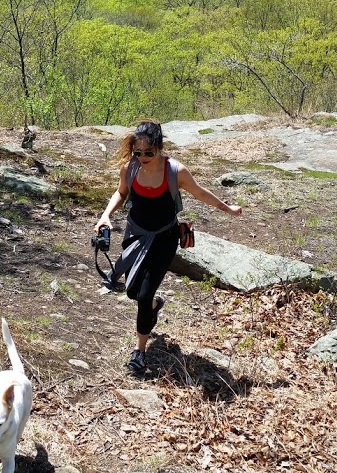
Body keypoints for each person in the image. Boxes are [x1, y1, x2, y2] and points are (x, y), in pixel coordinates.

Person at [94, 120, 243, 373]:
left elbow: (200, 193)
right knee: (132, 291)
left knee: (143, 295)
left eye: (148, 153)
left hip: (164, 238)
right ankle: (154, 305)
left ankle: (139, 352)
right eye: (137, 152)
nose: (142, 158)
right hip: (135, 235)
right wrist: (105, 216)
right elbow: (121, 193)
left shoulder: (175, 172)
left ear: (160, 148)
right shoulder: (129, 168)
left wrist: (227, 208)